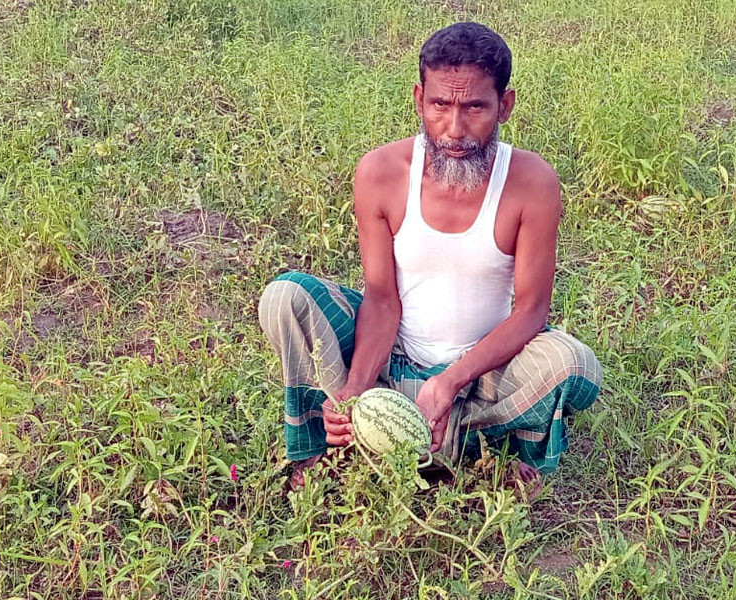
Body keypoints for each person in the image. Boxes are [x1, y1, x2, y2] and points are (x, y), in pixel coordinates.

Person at [258, 22, 603, 498]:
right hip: (392, 364)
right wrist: (355, 388)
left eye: (475, 107)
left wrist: (450, 381)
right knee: (286, 298)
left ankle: (479, 441)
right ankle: (329, 441)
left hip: (481, 376)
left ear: (504, 106)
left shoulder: (532, 182)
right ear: (420, 99)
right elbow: (382, 298)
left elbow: (531, 311)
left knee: (573, 364)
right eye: (440, 105)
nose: (454, 130)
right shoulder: (380, 173)